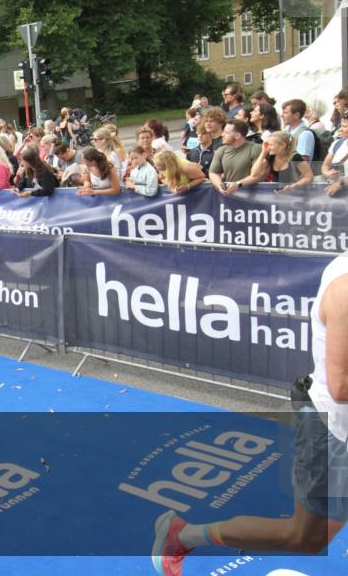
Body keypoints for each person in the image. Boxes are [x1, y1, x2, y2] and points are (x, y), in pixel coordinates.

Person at [152, 251, 348, 576]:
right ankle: (183, 535)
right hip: (334, 431)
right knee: (306, 538)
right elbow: (341, 386)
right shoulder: (345, 288)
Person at [243, 130, 314, 194]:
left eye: (271, 145)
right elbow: (254, 173)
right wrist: (263, 153)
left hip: (296, 196)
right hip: (278, 195)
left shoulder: (295, 157)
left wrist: (292, 187)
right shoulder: (271, 157)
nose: (268, 147)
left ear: (283, 145)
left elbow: (309, 177)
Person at [208, 120, 263, 197]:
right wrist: (220, 186)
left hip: (253, 197)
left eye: (226, 133)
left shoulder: (255, 149)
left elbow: (258, 175)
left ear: (237, 136)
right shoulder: (221, 150)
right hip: (229, 197)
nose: (222, 135)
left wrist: (238, 184)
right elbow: (213, 172)